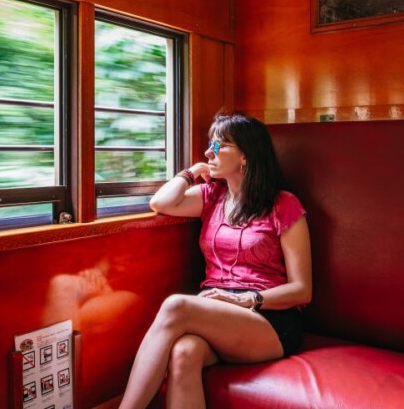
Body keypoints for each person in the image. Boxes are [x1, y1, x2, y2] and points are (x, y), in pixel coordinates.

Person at [119, 114, 312, 408]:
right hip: (218, 312)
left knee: (176, 305)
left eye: (219, 145)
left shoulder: (283, 204)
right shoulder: (212, 197)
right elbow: (160, 203)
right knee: (184, 352)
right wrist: (192, 172)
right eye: (210, 145)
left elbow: (302, 290)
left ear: (245, 155)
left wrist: (245, 299)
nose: (209, 152)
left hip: (269, 318)